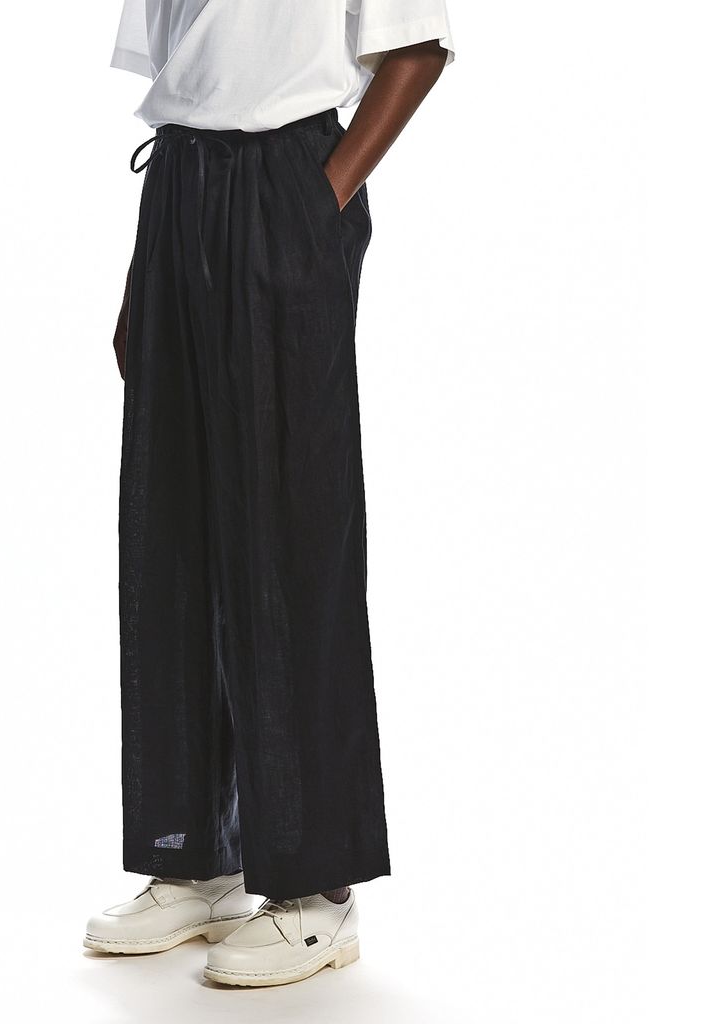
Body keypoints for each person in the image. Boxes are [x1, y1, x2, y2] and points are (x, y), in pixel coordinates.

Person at [84, 0, 455, 988]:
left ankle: (316, 889)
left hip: (287, 178)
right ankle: (194, 857)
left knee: (290, 533)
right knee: (171, 530)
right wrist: (145, 270)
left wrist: (318, 199)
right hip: (178, 192)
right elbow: (189, 83)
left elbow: (416, 50)